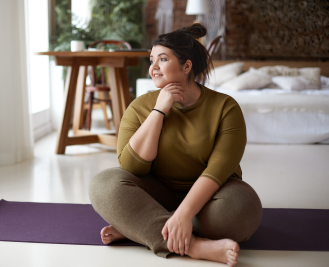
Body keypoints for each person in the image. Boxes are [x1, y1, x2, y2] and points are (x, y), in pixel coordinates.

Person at [89, 23, 262, 267]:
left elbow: (217, 171)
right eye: (151, 60)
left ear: (186, 66)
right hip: (157, 191)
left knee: (241, 211)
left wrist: (183, 214)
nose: (153, 68)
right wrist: (159, 110)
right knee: (103, 185)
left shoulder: (226, 108)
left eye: (162, 59)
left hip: (211, 197)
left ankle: (142, 229)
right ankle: (194, 245)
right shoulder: (140, 106)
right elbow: (131, 166)